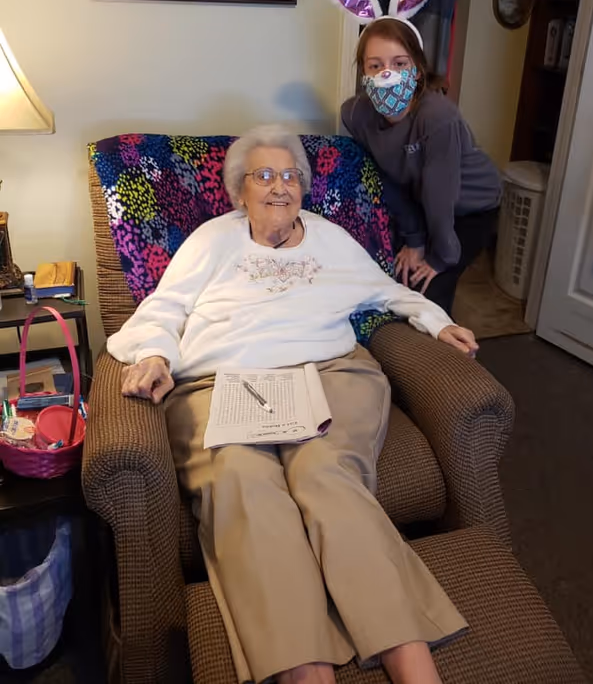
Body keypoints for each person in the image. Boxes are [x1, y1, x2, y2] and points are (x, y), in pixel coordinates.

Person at [107, 124, 476, 684]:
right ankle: (304, 669)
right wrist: (155, 355)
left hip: (328, 374)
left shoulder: (331, 239)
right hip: (220, 383)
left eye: (290, 176)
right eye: (264, 175)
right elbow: (164, 307)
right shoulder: (210, 240)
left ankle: (411, 661)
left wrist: (436, 321)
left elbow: (388, 290)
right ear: (239, 191)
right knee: (242, 483)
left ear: (304, 187)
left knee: (326, 475)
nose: (279, 186)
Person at [325, 0, 503, 315]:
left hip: (471, 206)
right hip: (421, 203)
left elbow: (441, 193)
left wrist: (438, 256)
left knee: (429, 287)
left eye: (399, 64)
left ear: (418, 69)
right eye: (375, 65)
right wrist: (414, 238)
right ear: (363, 73)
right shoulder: (356, 115)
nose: (387, 74)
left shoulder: (438, 117)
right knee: (394, 275)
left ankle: (440, 343)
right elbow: (387, 179)